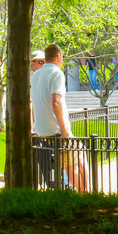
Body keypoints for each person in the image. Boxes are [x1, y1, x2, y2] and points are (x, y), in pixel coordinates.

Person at [31, 44, 86, 191]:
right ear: (59, 57)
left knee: (81, 154)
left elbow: (34, 103)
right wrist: (65, 129)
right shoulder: (56, 74)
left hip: (42, 130)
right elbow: (56, 101)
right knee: (72, 165)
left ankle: (87, 191)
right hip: (56, 131)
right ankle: (85, 194)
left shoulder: (36, 76)